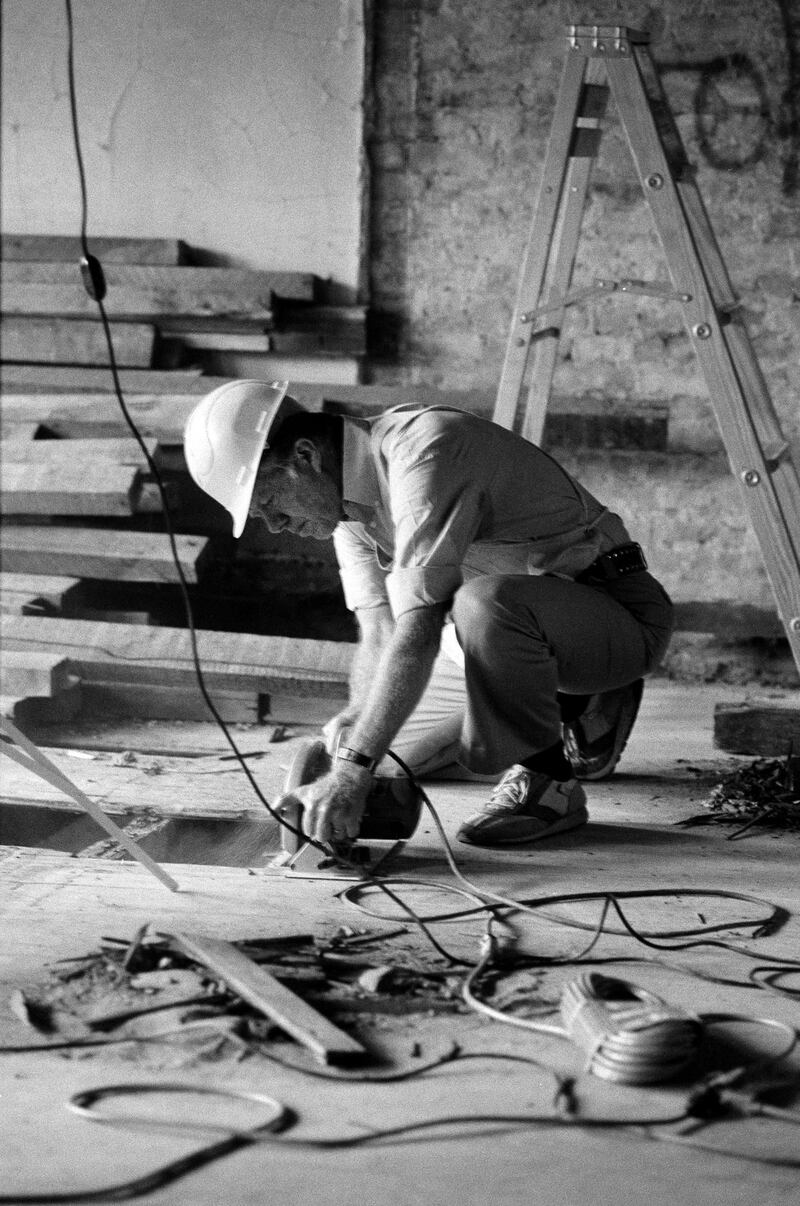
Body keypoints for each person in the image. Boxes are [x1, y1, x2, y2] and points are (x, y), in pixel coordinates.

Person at [184, 379, 674, 850]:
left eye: (267, 501)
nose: (271, 524)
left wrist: (353, 772)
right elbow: (379, 629)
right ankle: (573, 710)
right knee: (392, 759)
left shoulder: (426, 451)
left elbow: (418, 629)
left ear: (306, 457)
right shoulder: (347, 507)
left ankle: (552, 778)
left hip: (613, 614)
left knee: (484, 604)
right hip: (494, 639)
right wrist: (356, 731)